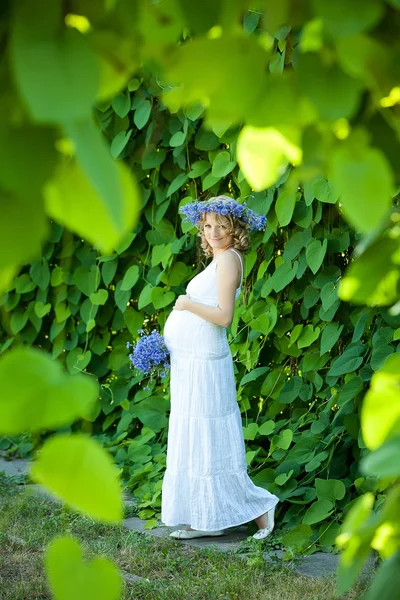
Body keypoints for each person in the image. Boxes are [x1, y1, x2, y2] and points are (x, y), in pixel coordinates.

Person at [161, 195, 279, 540]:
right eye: (208, 224)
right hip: (192, 362)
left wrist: (187, 303)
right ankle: (206, 517)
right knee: (199, 439)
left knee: (210, 436)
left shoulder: (228, 260)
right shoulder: (219, 260)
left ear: (235, 229)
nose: (213, 231)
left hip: (205, 363)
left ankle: (261, 508)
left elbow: (224, 318)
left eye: (221, 225)